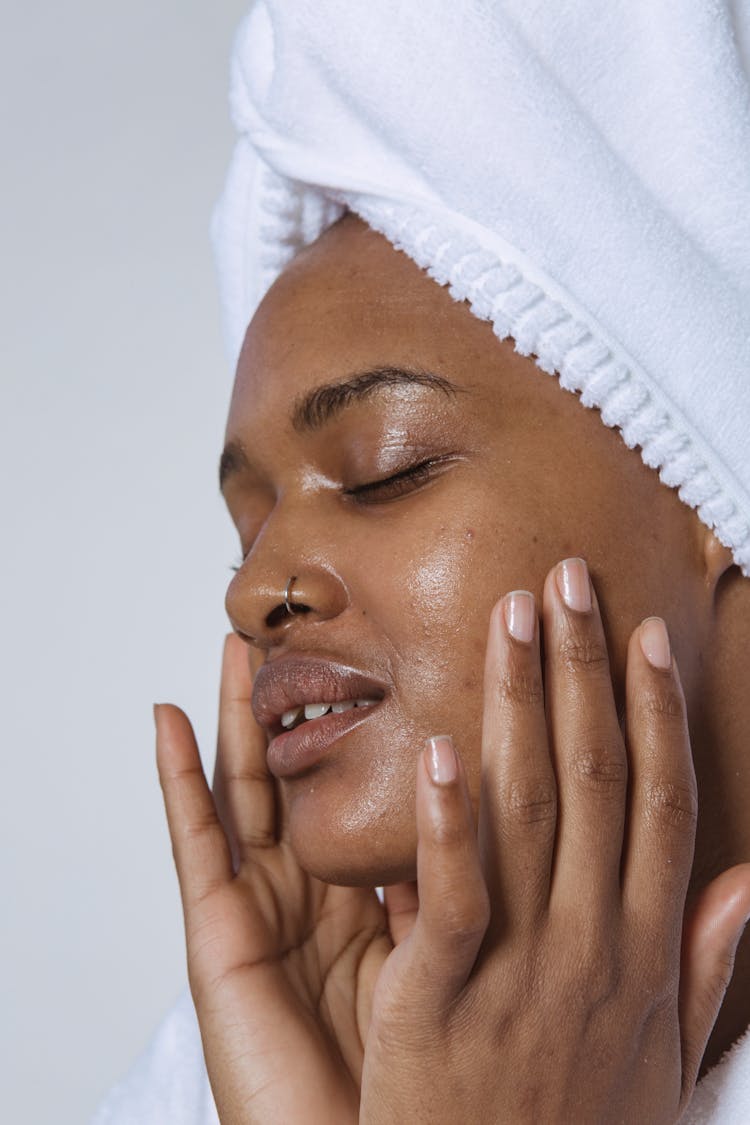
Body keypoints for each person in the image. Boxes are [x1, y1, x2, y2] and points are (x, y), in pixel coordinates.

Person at [94, 2, 750, 1122]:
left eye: (382, 472)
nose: (255, 593)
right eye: (249, 528)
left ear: (711, 488)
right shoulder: (206, 1085)